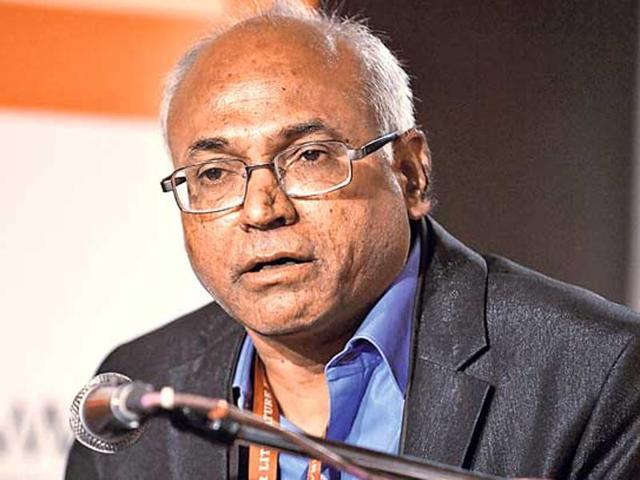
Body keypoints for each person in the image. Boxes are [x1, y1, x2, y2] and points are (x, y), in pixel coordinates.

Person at [65, 2, 640, 479]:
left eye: (309, 157)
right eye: (215, 173)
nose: (263, 209)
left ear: (411, 173)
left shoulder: (595, 378)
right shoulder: (138, 394)